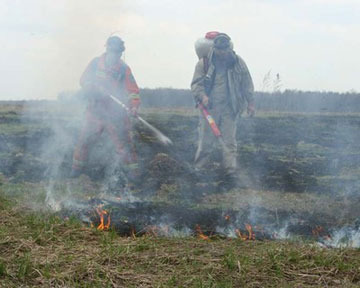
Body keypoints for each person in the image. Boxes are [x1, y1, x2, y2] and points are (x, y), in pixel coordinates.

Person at [70, 36, 140, 180]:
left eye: (119, 53)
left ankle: (133, 176)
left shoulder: (124, 69)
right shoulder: (95, 64)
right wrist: (94, 87)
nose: (116, 55)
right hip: (95, 111)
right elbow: (83, 80)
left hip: (116, 115)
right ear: (107, 49)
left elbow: (133, 91)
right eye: (113, 52)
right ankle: (76, 172)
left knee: (124, 145)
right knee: (85, 141)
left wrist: (133, 107)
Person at [191, 32, 255, 186]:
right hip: (210, 108)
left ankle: (230, 171)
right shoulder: (204, 63)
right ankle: (199, 169)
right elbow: (196, 84)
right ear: (215, 49)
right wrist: (203, 96)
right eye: (220, 50)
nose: (222, 53)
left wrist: (250, 102)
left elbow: (247, 83)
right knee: (206, 140)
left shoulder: (238, 63)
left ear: (229, 49)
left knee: (229, 141)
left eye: (225, 50)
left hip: (231, 108)